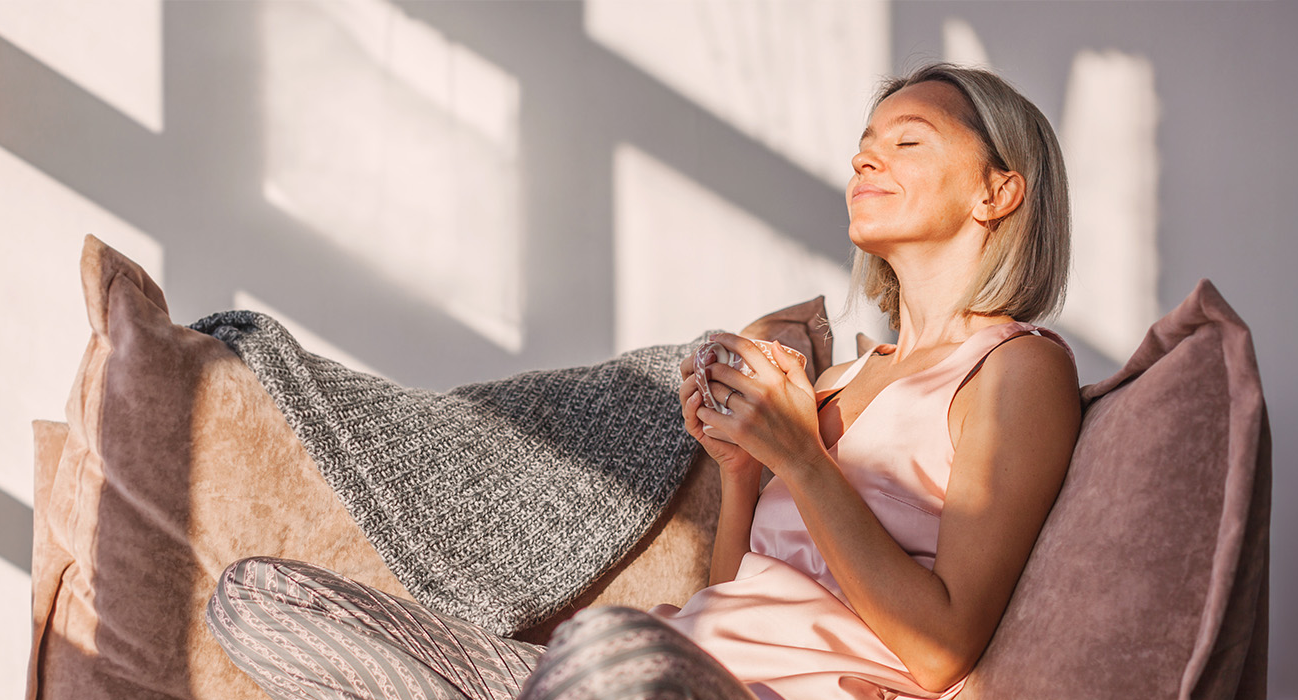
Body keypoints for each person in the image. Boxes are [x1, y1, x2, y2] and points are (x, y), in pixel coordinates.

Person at [203, 62, 1081, 700]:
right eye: (862, 147)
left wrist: (803, 459)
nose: (864, 161)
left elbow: (940, 651)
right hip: (660, 664)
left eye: (906, 141)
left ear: (997, 192)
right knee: (260, 599)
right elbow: (739, 591)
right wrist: (743, 473)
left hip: (710, 686)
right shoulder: (843, 375)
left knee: (613, 658)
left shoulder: (1017, 368)